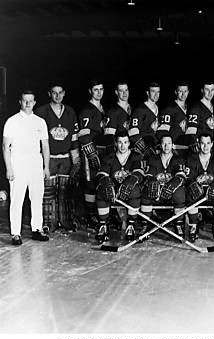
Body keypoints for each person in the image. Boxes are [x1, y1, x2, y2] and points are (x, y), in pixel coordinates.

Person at [2, 90, 50, 245]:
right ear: (20, 102)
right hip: (18, 164)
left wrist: (46, 167)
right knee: (17, 199)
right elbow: (5, 147)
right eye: (25, 100)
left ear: (35, 103)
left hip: (36, 164)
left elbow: (45, 146)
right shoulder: (12, 121)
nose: (28, 103)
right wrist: (9, 168)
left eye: (31, 101)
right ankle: (16, 233)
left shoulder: (40, 122)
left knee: (37, 198)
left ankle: (37, 229)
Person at [35, 84, 80, 231]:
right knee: (48, 193)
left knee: (66, 192)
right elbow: (37, 139)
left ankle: (66, 221)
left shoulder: (70, 112)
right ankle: (48, 223)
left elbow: (74, 138)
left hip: (65, 158)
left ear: (64, 93)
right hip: (49, 158)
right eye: (54, 93)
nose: (57, 96)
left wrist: (76, 161)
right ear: (49, 94)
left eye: (60, 92)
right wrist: (42, 161)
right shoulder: (41, 112)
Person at [95, 131, 144, 243]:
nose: (123, 146)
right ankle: (103, 225)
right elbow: (102, 173)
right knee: (102, 189)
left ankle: (131, 225)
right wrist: (105, 181)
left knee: (135, 189)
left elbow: (139, 173)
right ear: (116, 143)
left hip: (129, 191)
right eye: (120, 142)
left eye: (125, 142)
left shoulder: (135, 157)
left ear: (129, 143)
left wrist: (132, 180)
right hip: (113, 191)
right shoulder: (109, 157)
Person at [140, 133, 186, 237]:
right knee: (146, 191)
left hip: (172, 191)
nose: (166, 146)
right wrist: (152, 181)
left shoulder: (179, 159)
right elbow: (149, 174)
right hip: (156, 192)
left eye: (169, 143)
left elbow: (181, 176)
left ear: (172, 145)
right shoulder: (153, 159)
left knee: (180, 193)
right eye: (164, 143)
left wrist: (172, 185)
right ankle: (145, 223)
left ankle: (178, 224)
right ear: (160, 145)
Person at [185, 133, 214, 241]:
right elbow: (188, 178)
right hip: (198, 192)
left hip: (212, 192)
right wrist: (192, 185)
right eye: (203, 143)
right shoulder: (191, 158)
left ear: (212, 144)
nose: (205, 146)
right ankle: (193, 225)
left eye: (208, 143)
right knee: (191, 192)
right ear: (198, 144)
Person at [78, 79, 106, 228]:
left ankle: (100, 213)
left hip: (101, 150)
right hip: (90, 151)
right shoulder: (87, 109)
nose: (99, 92)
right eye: (96, 90)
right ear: (90, 91)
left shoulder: (102, 108)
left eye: (101, 89)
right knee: (90, 183)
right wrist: (90, 153)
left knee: (100, 181)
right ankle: (89, 215)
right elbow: (83, 134)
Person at [129, 82, 160, 159]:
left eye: (158, 92)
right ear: (147, 93)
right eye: (153, 91)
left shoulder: (157, 108)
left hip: (154, 146)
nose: (156, 94)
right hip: (144, 151)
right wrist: (145, 149)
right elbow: (133, 133)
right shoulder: (140, 110)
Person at [158, 82, 189, 156]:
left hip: (186, 148)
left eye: (185, 91)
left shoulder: (189, 109)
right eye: (180, 91)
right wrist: (169, 147)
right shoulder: (169, 109)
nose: (183, 94)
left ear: (188, 92)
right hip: (174, 150)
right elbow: (161, 131)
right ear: (176, 92)